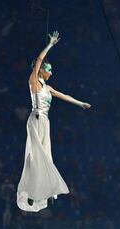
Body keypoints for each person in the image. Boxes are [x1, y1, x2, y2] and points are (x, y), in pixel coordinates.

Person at [17, 31, 91, 212]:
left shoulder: (48, 87)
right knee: (35, 157)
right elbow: (40, 60)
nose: (51, 72)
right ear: (41, 70)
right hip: (35, 120)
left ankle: (44, 192)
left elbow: (63, 95)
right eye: (49, 69)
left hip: (45, 122)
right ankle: (32, 193)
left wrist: (80, 103)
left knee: (46, 157)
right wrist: (50, 45)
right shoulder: (33, 80)